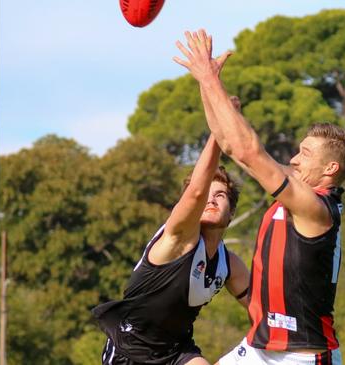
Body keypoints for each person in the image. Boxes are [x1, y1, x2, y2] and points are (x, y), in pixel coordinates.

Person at [174, 30, 345, 365]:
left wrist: (207, 78)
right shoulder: (300, 192)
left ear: (330, 168)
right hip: (261, 347)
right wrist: (209, 84)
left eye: (304, 153)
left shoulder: (315, 208)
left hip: (302, 356)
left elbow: (244, 150)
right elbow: (228, 140)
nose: (294, 160)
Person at [92, 103, 251, 365]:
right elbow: (196, 192)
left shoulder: (229, 264)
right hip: (131, 351)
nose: (210, 201)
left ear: (231, 211)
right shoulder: (179, 237)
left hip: (176, 351)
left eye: (220, 196)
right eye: (205, 197)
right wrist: (220, 132)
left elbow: (263, 312)